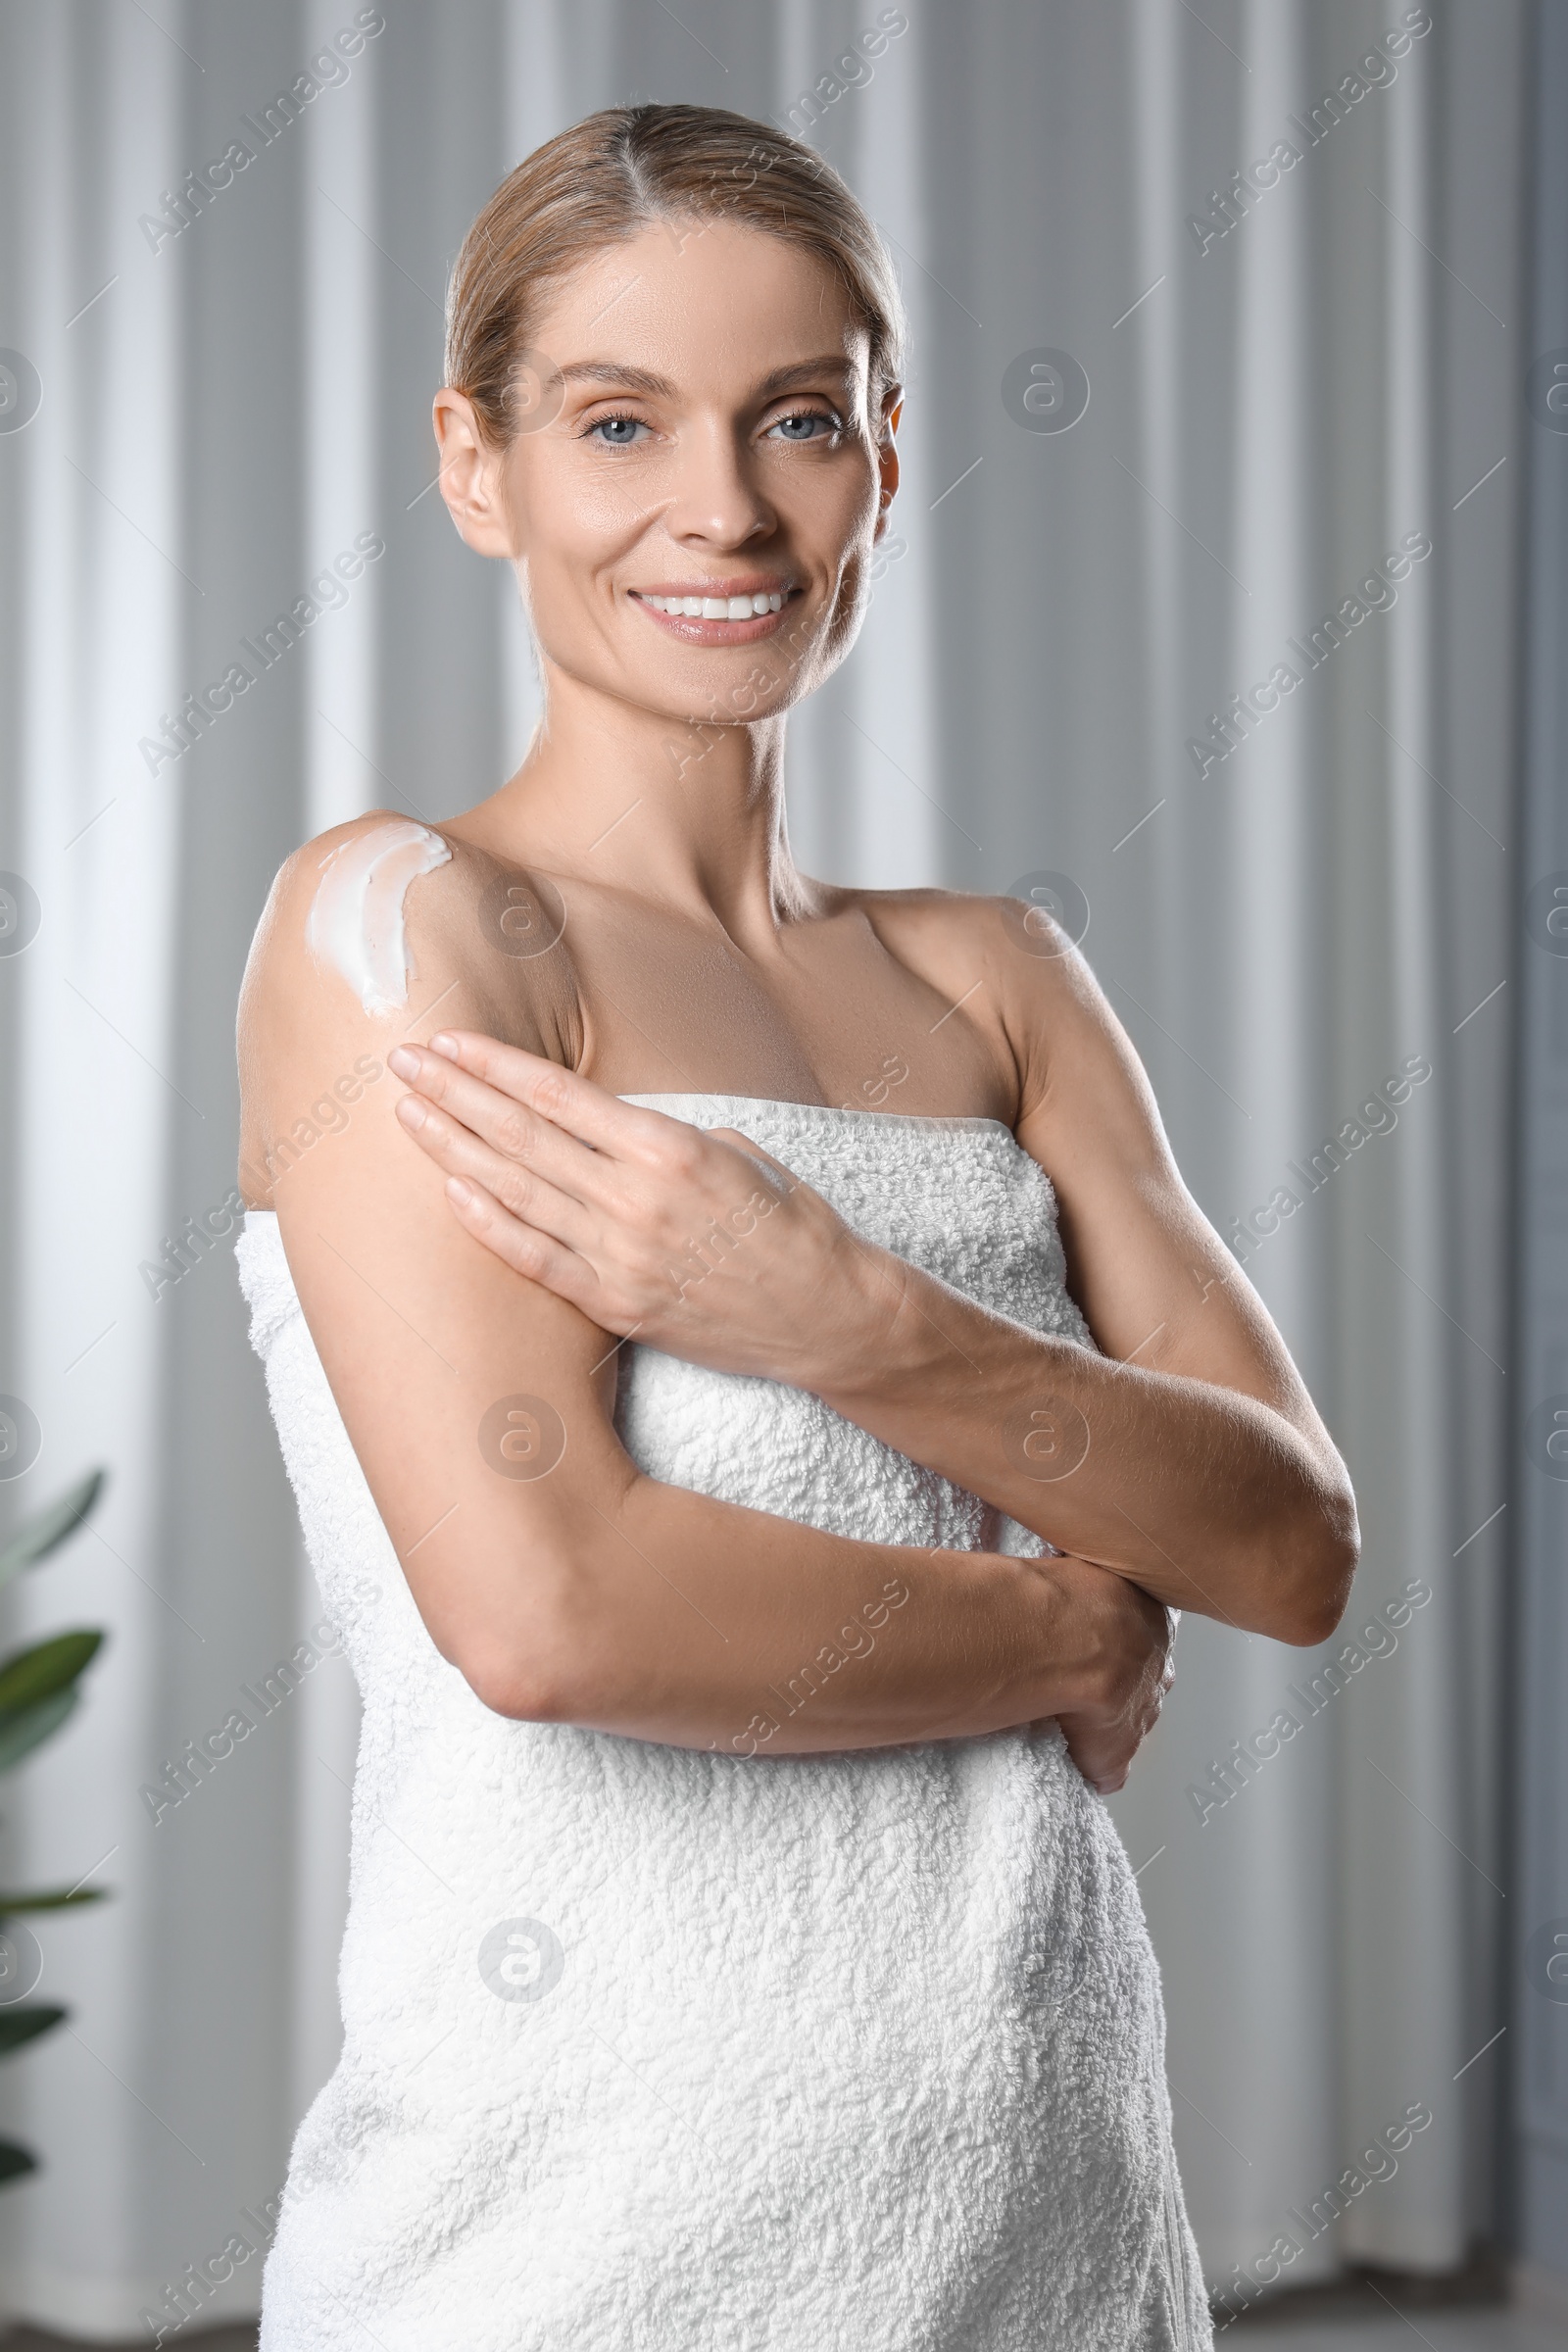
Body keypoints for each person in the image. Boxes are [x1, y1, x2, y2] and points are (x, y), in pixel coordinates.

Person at [234, 101, 1357, 2352]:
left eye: (798, 422)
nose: (722, 509)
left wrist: (844, 1318)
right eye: (616, 421)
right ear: (477, 465)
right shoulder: (412, 928)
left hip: (1040, 2198)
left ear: (887, 456)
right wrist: (1055, 1634)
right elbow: (554, 1610)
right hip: (569, 2227)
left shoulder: (993, 979)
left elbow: (1286, 1542)